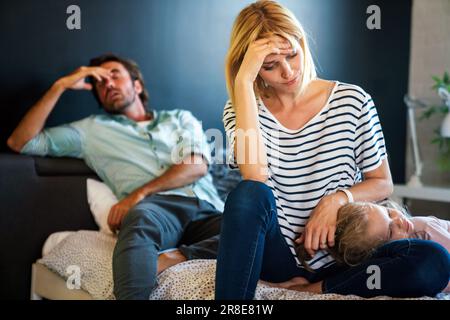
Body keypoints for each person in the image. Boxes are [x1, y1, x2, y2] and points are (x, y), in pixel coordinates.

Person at [216, 0, 449, 299]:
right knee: (249, 193)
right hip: (280, 259)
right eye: (270, 66)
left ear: (302, 43)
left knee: (433, 260)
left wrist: (336, 201)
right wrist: (243, 81)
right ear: (252, 69)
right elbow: (255, 174)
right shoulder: (241, 108)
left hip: (347, 257)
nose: (288, 72)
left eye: (292, 55)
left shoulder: (353, 101)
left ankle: (315, 289)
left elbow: (383, 182)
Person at [7, 53, 224, 300]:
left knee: (257, 231)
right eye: (99, 83)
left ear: (137, 85)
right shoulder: (91, 130)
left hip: (209, 208)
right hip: (156, 212)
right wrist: (61, 86)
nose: (107, 84)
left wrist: (139, 193)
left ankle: (176, 256)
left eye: (114, 75)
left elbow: (196, 166)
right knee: (140, 218)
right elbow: (20, 142)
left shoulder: (180, 118)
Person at [290, 201, 450, 293]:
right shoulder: (391, 261)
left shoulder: (422, 227)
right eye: (390, 230)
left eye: (388, 213)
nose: (399, 221)